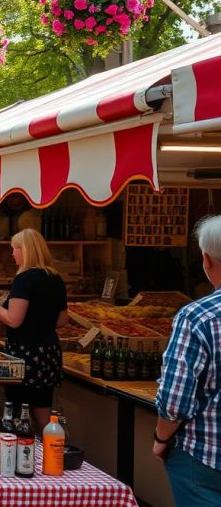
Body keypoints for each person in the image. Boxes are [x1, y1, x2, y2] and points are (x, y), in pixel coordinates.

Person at [154, 215, 221, 505]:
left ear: (206, 260)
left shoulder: (197, 317)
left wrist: (161, 440)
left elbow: (174, 400)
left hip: (205, 454)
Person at [0, 228, 68, 433]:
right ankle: (50, 453)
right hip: (49, 353)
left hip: (24, 354)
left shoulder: (24, 279)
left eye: (14, 249)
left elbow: (13, 320)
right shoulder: (55, 278)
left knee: (17, 413)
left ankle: (21, 458)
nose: (12, 254)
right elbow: (63, 319)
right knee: (43, 410)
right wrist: (40, 322)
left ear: (25, 250)